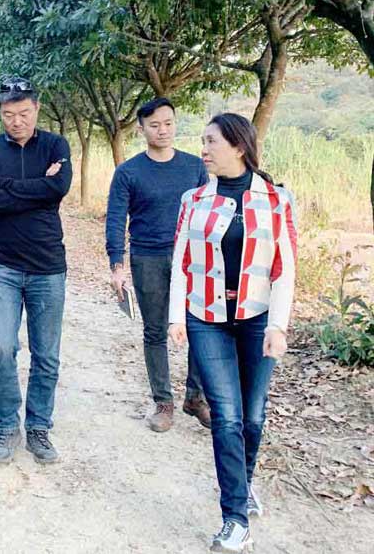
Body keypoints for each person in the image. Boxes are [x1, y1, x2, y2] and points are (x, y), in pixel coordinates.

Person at [168, 113, 297, 553]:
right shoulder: (193, 199)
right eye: (203, 141)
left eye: (211, 142)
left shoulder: (277, 200)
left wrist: (278, 325)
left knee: (253, 416)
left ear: (239, 147)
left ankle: (243, 483)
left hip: (257, 317)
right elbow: (182, 261)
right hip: (207, 317)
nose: (203, 150)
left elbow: (284, 268)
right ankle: (235, 518)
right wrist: (177, 316)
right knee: (226, 415)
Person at [0, 76, 72, 465]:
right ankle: (5, 426)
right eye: (8, 114)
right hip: (1, 264)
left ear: (37, 109)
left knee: (46, 354)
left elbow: (59, 188)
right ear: (0, 112)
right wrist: (38, 187)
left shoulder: (55, 145)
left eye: (24, 113)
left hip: (47, 265)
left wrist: (11, 187)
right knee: (1, 347)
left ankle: (38, 427)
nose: (17, 121)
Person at [105, 96, 211, 432]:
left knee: (200, 327)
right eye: (154, 125)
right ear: (141, 129)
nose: (162, 130)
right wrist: (117, 264)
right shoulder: (128, 172)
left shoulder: (194, 167)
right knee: (155, 330)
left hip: (192, 258)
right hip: (148, 256)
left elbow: (209, 213)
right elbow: (116, 218)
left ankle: (196, 397)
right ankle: (163, 402)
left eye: (168, 123)